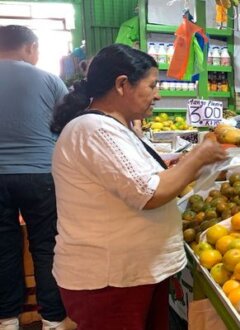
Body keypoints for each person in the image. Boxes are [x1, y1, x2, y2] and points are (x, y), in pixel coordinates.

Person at [49, 44, 228, 329]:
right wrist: (197, 157)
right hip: (110, 280)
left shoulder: (115, 127)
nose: (158, 94)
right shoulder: (94, 130)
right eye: (152, 85)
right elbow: (150, 193)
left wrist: (186, 165)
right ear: (122, 85)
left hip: (133, 274)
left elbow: (139, 180)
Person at [0, 25, 76, 330]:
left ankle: (6, 320)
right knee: (45, 246)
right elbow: (67, 126)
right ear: (30, 47)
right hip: (40, 174)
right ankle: (52, 320)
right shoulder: (48, 80)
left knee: (3, 247)